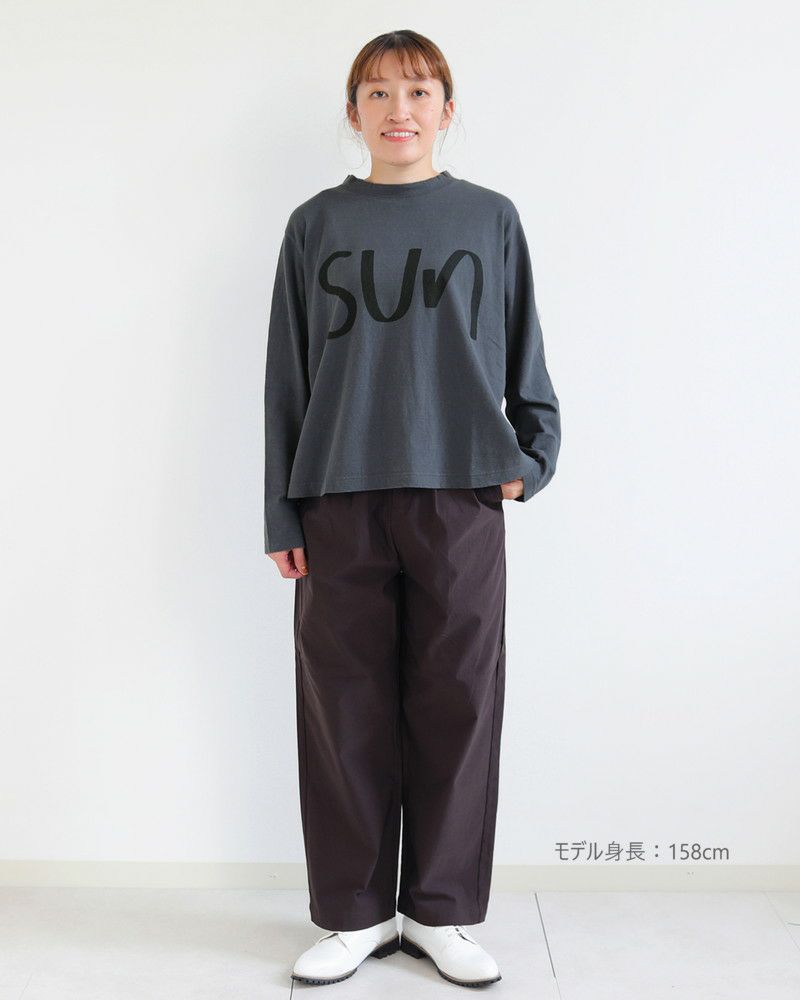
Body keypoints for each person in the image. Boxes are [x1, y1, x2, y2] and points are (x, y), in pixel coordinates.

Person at [263, 29, 561, 989]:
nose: (400, 109)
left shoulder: (489, 218)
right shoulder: (315, 225)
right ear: (354, 112)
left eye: (420, 90)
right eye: (380, 92)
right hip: (337, 498)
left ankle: (439, 911)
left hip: (459, 496)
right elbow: (285, 377)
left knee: (458, 703)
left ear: (447, 109)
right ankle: (354, 915)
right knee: (342, 708)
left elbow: (523, 352)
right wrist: (281, 511)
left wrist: (532, 460)